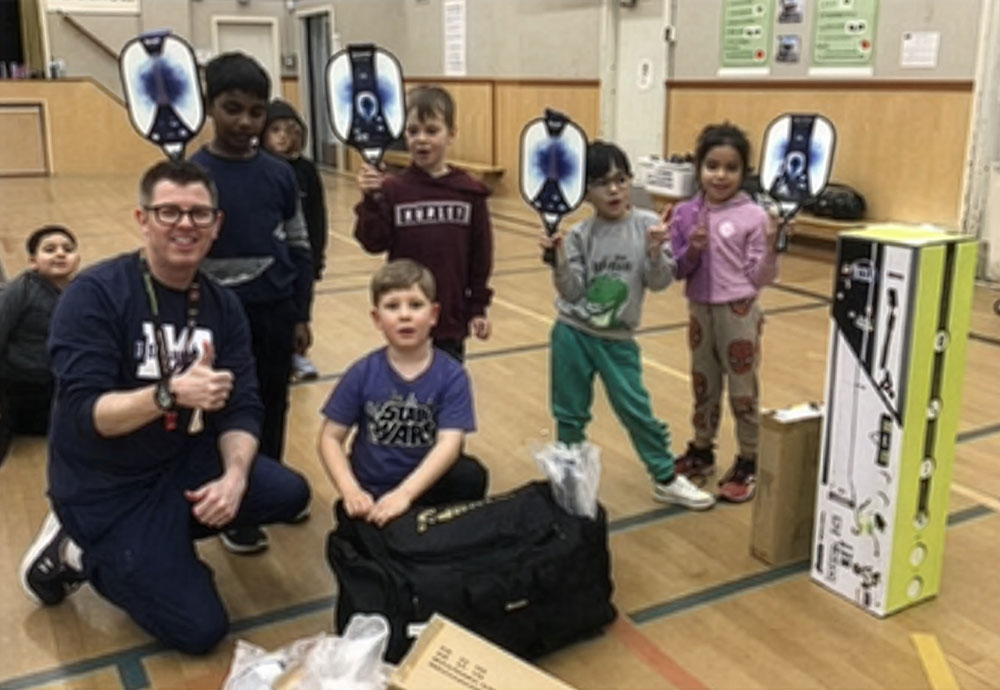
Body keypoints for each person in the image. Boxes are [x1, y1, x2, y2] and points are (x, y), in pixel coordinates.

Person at [17, 159, 310, 655]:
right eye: (169, 212)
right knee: (200, 630)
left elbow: (242, 406)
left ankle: (156, 548)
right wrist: (169, 393)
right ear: (143, 219)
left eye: (199, 214)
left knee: (287, 492)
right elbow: (86, 415)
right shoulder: (94, 295)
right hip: (105, 486)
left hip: (177, 463)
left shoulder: (223, 305)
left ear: (216, 224)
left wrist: (234, 476)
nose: (185, 225)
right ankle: (77, 549)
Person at [540, 141, 715, 511]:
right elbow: (572, 292)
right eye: (602, 183)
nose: (614, 190)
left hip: (618, 340)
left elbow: (660, 281)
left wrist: (654, 251)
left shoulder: (649, 225)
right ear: (584, 192)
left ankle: (665, 477)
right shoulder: (579, 235)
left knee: (637, 411)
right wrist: (558, 260)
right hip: (572, 334)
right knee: (569, 414)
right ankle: (570, 487)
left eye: (621, 180)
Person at [191, 53, 314, 552]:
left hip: (273, 310)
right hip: (214, 317)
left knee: (272, 400)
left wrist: (301, 313)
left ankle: (268, 489)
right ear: (209, 107)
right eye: (232, 108)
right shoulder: (193, 172)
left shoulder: (279, 174)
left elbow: (300, 245)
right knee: (224, 405)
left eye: (256, 112)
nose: (245, 122)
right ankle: (228, 500)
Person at [318, 259, 487, 526]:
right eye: (392, 306)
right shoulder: (362, 372)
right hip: (373, 487)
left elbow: (450, 443)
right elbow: (330, 437)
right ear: (377, 318)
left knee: (470, 476)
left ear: (433, 314)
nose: (404, 315)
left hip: (425, 485)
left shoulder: (452, 375)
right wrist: (351, 490)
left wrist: (405, 494)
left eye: (416, 305)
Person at [669, 123, 780, 503]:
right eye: (712, 166)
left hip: (739, 311)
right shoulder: (685, 213)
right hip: (699, 310)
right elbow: (677, 269)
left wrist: (771, 246)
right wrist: (693, 250)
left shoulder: (754, 216)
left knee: (743, 390)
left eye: (731, 168)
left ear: (744, 172)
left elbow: (762, 276)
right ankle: (702, 449)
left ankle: (750, 457)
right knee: (704, 384)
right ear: (698, 167)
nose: (720, 175)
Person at [354, 85, 493, 363]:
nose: (421, 139)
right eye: (413, 131)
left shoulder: (469, 192)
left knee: (446, 386)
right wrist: (370, 200)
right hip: (405, 318)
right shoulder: (393, 189)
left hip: (450, 317)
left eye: (432, 130)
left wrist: (477, 306)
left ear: (451, 133)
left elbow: (481, 255)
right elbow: (373, 242)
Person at [0, 225, 80, 462]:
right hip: (16, 386)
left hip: (55, 387)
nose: (60, 254)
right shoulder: (22, 289)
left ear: (77, 259)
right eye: (50, 249)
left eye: (67, 249)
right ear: (33, 262)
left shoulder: (82, 292)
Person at [262, 98, 327, 381]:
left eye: (289, 131)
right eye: (275, 130)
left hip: (300, 254)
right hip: (274, 256)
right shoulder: (261, 169)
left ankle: (298, 354)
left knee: (300, 306)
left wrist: (317, 257)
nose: (282, 137)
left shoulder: (306, 170)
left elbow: (317, 217)